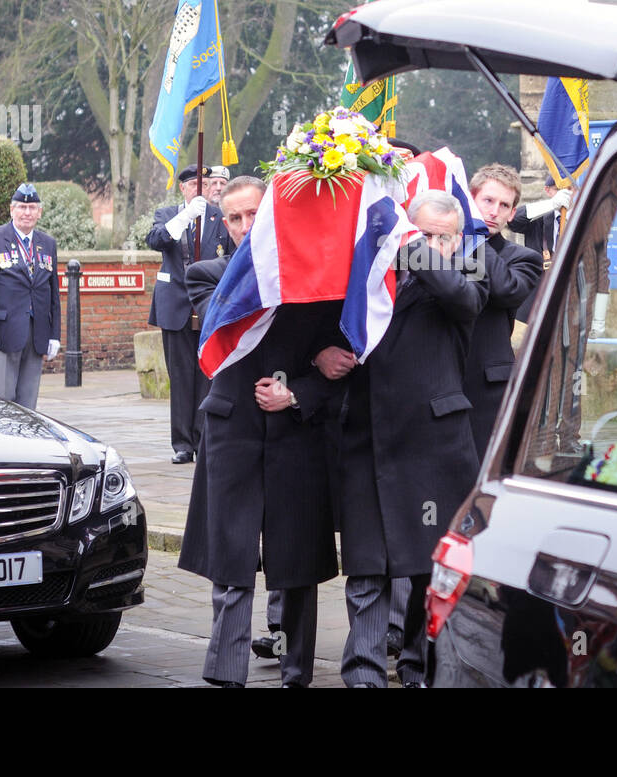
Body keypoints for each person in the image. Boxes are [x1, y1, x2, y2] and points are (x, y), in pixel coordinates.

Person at [178, 176, 343, 688]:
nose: (246, 226)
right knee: (231, 560)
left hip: (295, 433)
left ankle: (296, 672)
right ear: (223, 224)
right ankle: (226, 672)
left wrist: (296, 393)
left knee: (296, 564)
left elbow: (336, 364)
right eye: (235, 218)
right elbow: (219, 323)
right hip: (233, 432)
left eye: (256, 215)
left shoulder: (312, 281)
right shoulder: (206, 274)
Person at [335, 189, 488, 687]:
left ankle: (420, 668)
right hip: (368, 437)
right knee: (366, 564)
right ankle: (363, 672)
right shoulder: (371, 274)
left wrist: (410, 243)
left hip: (433, 444)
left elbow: (461, 300)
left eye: (439, 238)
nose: (425, 245)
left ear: (457, 239)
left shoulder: (469, 272)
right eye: (419, 233)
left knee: (429, 568)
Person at [147, 164, 235, 464]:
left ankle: (203, 438)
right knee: (180, 377)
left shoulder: (217, 217)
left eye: (206, 183)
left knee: (207, 374)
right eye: (196, 183)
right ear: (183, 187)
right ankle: (182, 443)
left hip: (208, 303)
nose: (203, 188)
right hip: (174, 305)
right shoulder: (168, 214)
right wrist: (185, 216)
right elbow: (157, 240)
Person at [465, 164, 544, 462]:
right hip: (441, 384)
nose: (494, 211)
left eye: (504, 205)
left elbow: (503, 289)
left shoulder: (524, 258)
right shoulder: (442, 248)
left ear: (512, 214)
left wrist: (474, 235)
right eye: (487, 201)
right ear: (470, 200)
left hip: (487, 391)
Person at [0, 182, 61, 410]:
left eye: (32, 208)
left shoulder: (47, 244)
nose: (27, 213)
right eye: (22, 207)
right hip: (3, 334)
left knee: (28, 405)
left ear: (39, 212)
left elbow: (53, 294)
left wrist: (55, 335)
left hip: (36, 332)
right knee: (2, 404)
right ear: (12, 210)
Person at [508, 175, 574, 323]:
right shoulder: (538, 217)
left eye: (569, 190)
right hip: (537, 303)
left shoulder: (581, 218)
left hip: (570, 299)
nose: (566, 195)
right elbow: (513, 220)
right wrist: (551, 205)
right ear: (548, 190)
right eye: (559, 190)